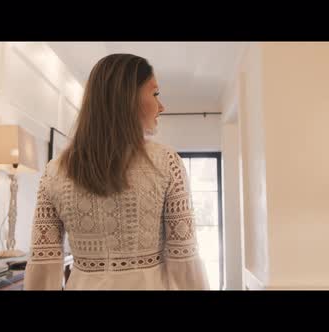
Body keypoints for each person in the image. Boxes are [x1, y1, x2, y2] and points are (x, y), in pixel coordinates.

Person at [24, 54, 209, 290]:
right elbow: (184, 266)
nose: (161, 107)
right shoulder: (167, 163)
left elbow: (43, 268)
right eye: (155, 94)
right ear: (128, 98)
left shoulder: (55, 171)